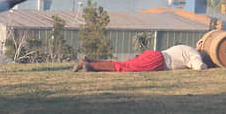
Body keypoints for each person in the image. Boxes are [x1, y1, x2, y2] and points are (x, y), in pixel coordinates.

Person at [74, 44, 208, 72]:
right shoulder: (195, 54)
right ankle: (91, 66)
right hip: (159, 61)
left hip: (154, 54)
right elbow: (199, 66)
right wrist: (206, 65)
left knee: (123, 63)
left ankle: (89, 62)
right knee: (123, 67)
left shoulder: (185, 47)